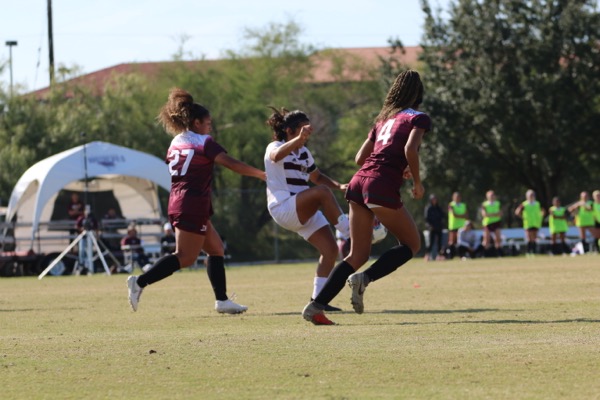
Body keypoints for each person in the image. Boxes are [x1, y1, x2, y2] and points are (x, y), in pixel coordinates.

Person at [302, 69, 431, 325]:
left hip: (358, 182)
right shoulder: (419, 118)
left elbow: (360, 159)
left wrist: (397, 163)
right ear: (418, 94)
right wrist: (416, 180)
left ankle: (315, 307)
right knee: (412, 244)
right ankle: (365, 279)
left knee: (356, 255)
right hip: (379, 185)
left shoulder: (383, 120)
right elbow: (409, 148)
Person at [127, 88, 265, 314]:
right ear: (196, 122)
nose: (210, 126)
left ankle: (222, 300)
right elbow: (229, 163)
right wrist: (259, 174)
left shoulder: (175, 142)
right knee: (185, 257)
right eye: (208, 122)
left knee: (216, 249)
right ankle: (140, 282)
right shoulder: (203, 141)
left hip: (181, 200)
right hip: (191, 202)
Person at [264, 107, 350, 312]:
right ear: (289, 130)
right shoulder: (275, 146)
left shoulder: (304, 152)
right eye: (303, 129)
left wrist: (338, 186)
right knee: (321, 193)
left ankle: (317, 300)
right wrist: (299, 139)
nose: (307, 133)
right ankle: (348, 231)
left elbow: (317, 177)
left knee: (330, 251)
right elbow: (276, 156)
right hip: (284, 206)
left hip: (302, 207)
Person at [514, 189, 544, 256]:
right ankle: (528, 251)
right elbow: (517, 212)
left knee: (534, 238)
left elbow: (542, 211)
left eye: (532, 195)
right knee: (529, 238)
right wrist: (522, 217)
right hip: (528, 223)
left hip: (536, 223)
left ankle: (534, 251)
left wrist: (540, 217)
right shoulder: (524, 204)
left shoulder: (537, 203)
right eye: (530, 195)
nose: (531, 196)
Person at [445, 191, 468, 259]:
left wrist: (459, 215)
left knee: (460, 241)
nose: (457, 198)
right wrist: (462, 216)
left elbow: (466, 215)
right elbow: (454, 215)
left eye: (458, 197)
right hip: (453, 225)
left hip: (462, 226)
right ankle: (450, 256)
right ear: (453, 198)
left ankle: (461, 255)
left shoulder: (463, 205)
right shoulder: (451, 205)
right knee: (452, 241)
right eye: (456, 197)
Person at [480, 190, 503, 256]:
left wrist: (490, 214)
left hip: (496, 222)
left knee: (498, 238)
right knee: (486, 239)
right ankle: (484, 254)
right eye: (490, 196)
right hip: (487, 223)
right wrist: (495, 214)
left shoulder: (497, 203)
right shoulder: (484, 204)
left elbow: (500, 213)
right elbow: (484, 214)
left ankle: (499, 253)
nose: (492, 197)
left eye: (493, 195)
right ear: (487, 197)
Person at [424, 194, 445, 261]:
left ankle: (439, 256)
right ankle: (427, 255)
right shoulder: (428, 208)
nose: (434, 201)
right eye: (433, 199)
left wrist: (441, 224)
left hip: (439, 227)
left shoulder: (439, 208)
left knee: (439, 243)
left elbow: (442, 217)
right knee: (431, 243)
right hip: (432, 228)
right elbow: (426, 219)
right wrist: (430, 226)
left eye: (435, 199)